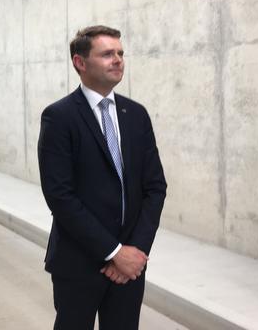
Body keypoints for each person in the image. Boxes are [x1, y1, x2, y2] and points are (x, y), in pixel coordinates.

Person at [38, 25, 167, 330]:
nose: (118, 60)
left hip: (131, 265)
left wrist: (136, 250)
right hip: (79, 262)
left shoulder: (136, 115)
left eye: (120, 53)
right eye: (107, 54)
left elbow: (155, 187)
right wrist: (113, 252)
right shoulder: (59, 117)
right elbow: (60, 196)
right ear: (80, 63)